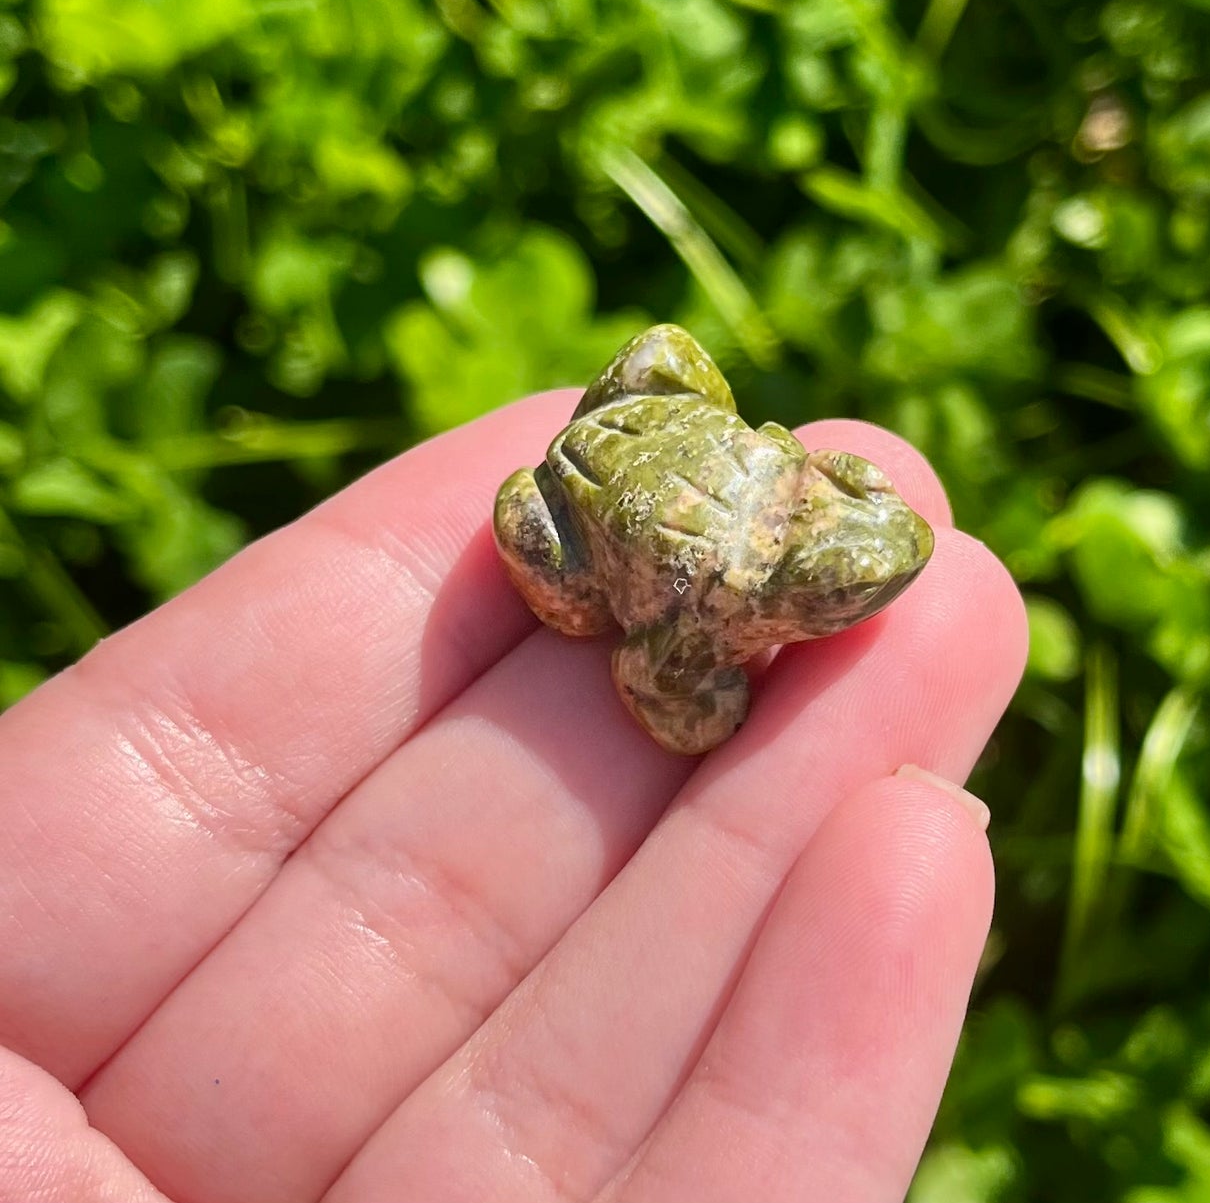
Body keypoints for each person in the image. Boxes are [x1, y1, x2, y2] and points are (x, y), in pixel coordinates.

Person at [0, 391, 1027, 1203]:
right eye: (842, 595)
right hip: (610, 510)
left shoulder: (794, 512)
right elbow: (649, 677)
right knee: (585, 595)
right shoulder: (716, 606)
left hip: (680, 447)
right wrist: (710, 704)